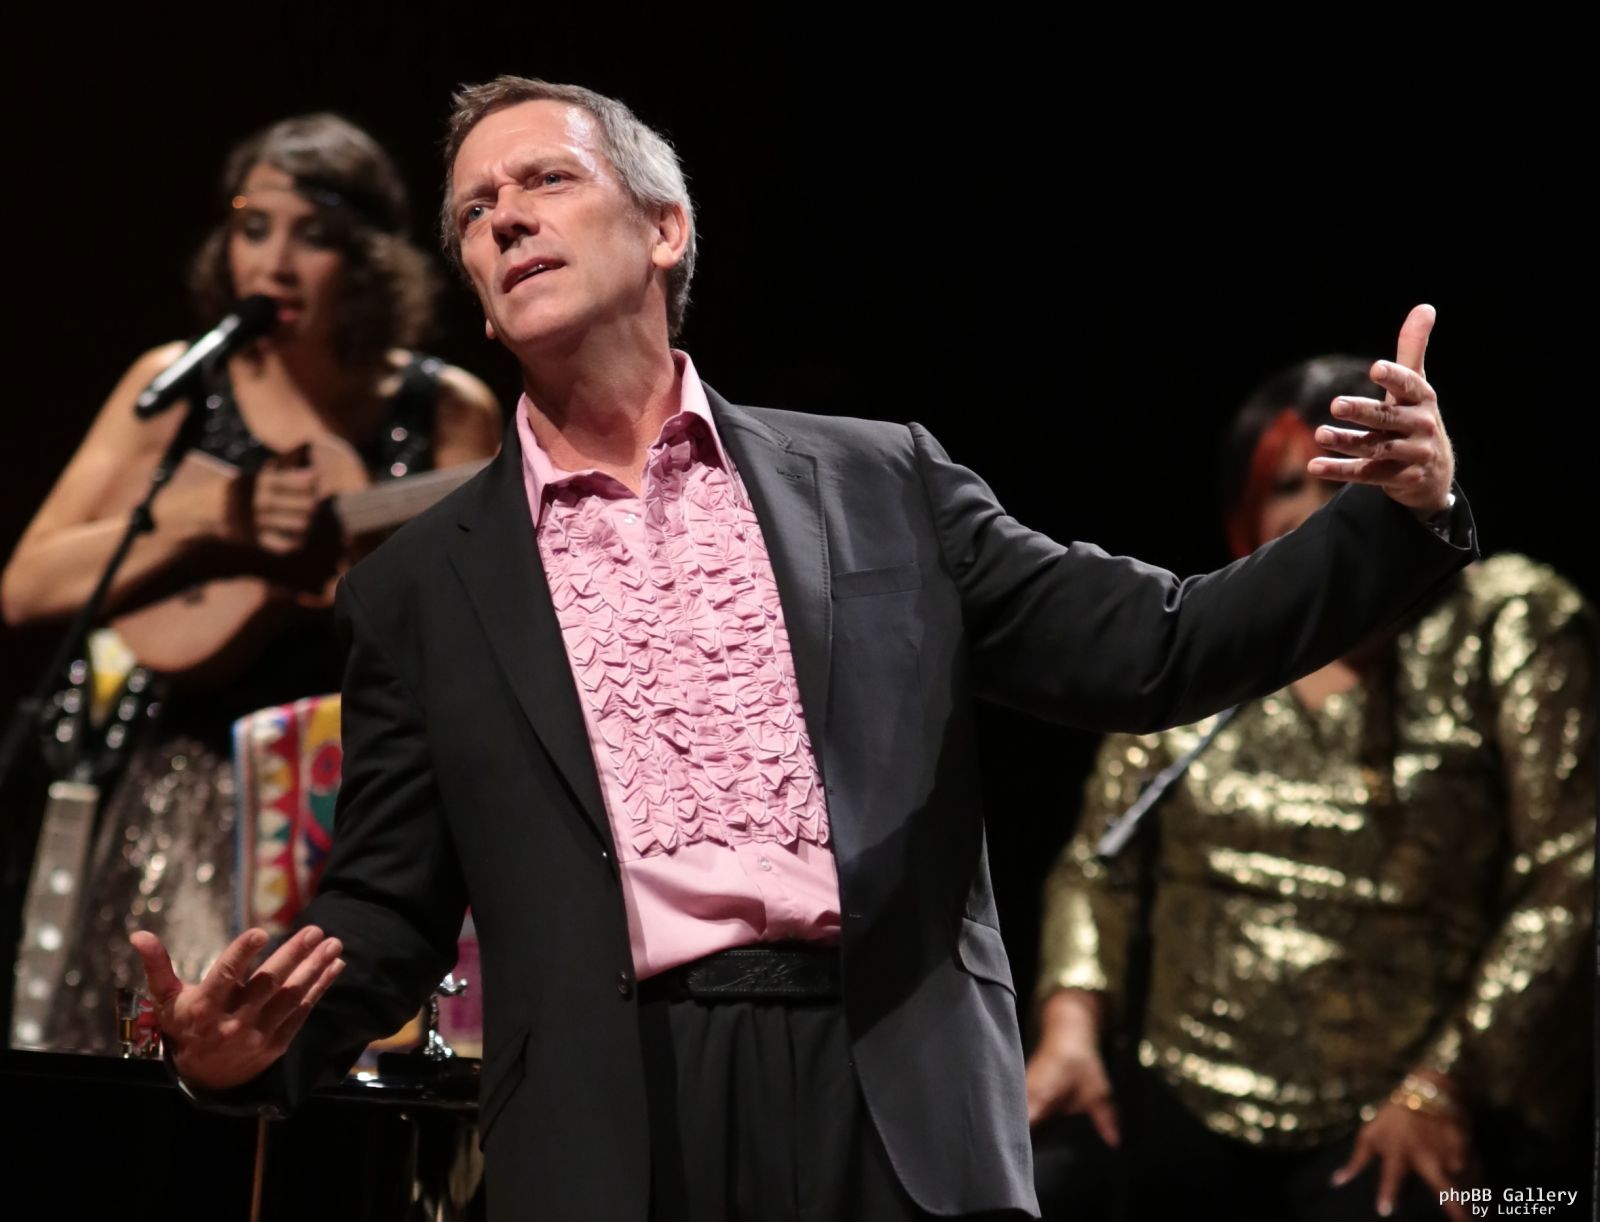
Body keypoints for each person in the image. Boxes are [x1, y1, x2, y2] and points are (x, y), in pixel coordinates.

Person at [130, 78, 1475, 1222]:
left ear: (664, 229)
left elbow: (1154, 647)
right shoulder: (419, 587)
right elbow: (385, 906)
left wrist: (1393, 519)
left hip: (890, 1085)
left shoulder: (881, 481)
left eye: (544, 180)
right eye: (475, 211)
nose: (505, 219)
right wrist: (244, 1054)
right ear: (480, 299)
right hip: (617, 1117)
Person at [1027, 357, 1594, 1222]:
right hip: (1182, 1086)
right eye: (1292, 484)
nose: (1326, 510)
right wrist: (1070, 1025)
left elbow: (1570, 873)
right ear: (1244, 518)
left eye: (1352, 477)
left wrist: (1442, 1083)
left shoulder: (1502, 626)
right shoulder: (1199, 647)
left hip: (1405, 1101)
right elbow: (1097, 862)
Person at [1, 113, 499, 1053]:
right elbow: (28, 586)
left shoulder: (442, 409)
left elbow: (480, 626)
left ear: (371, 259)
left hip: (355, 795)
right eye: (252, 227)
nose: (274, 262)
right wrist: (207, 521)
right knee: (160, 1061)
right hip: (188, 797)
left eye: (313, 235)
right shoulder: (180, 386)